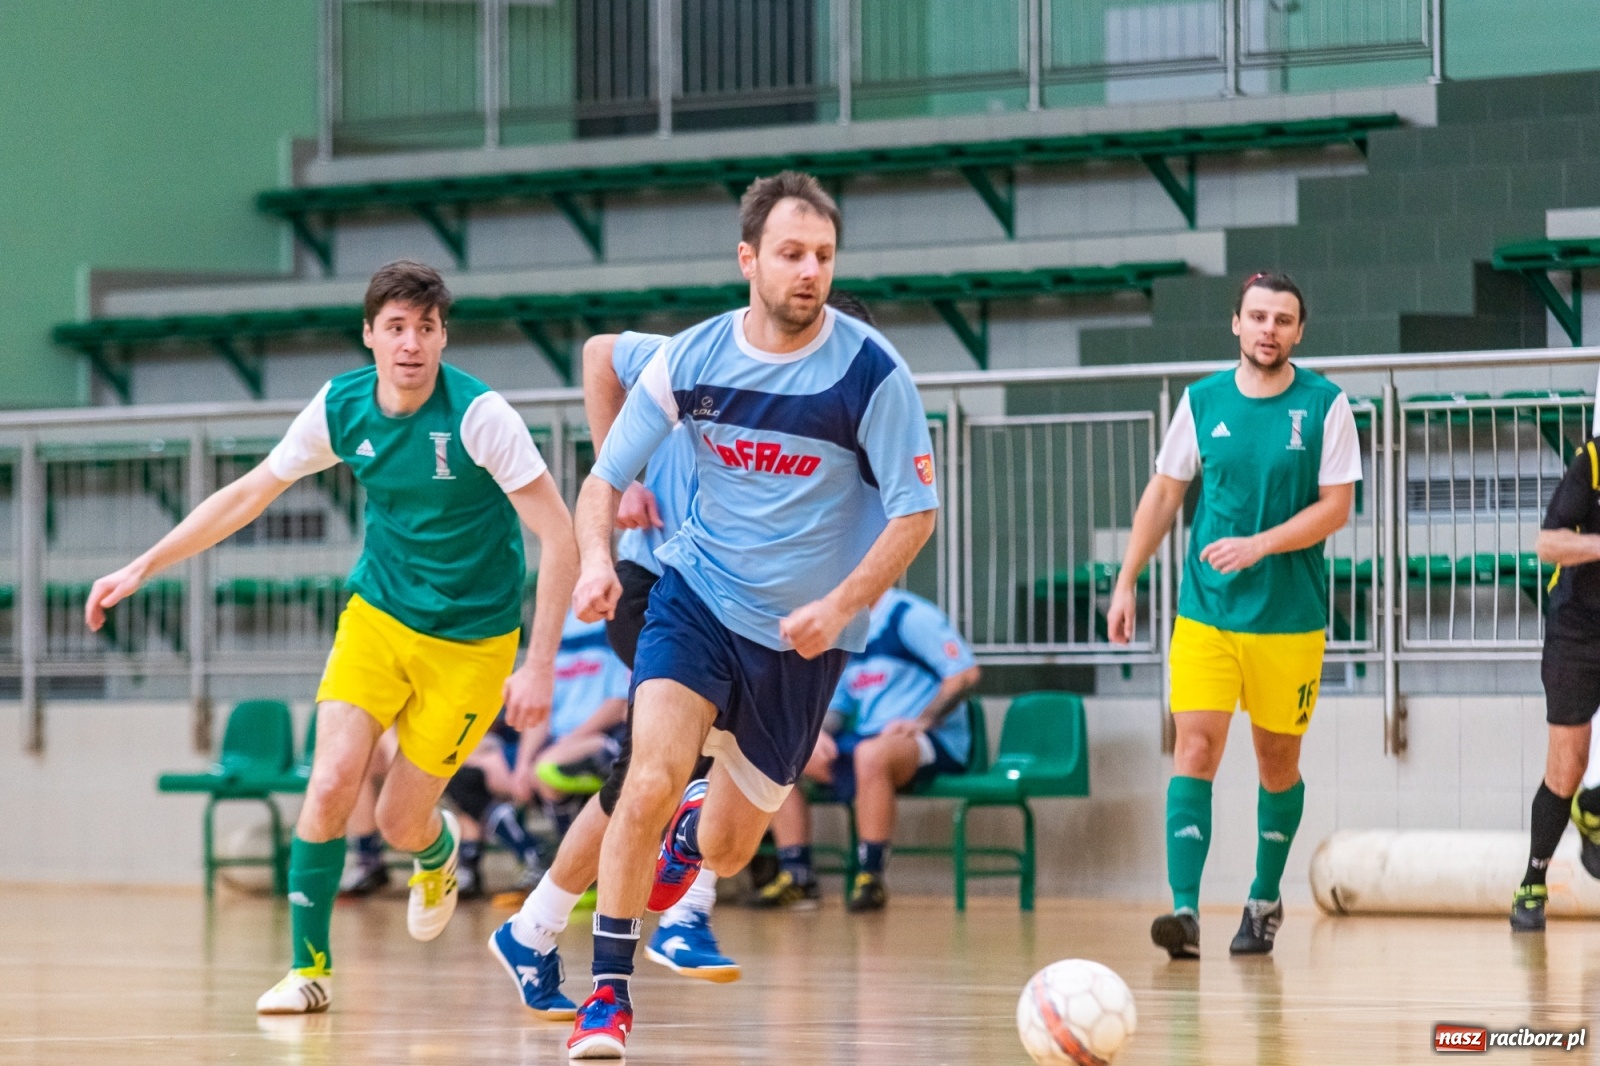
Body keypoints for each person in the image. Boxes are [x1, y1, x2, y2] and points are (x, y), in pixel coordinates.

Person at [84, 260, 579, 1014]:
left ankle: (435, 850)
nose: (410, 343)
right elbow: (251, 492)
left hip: (473, 641)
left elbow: (560, 536)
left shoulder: (481, 415)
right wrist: (144, 564)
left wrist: (538, 664)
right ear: (369, 336)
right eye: (395, 328)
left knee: (397, 821)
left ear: (444, 336)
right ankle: (307, 970)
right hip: (378, 616)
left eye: (425, 327)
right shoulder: (342, 407)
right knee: (330, 779)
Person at [561, 171, 939, 1058]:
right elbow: (602, 480)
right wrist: (594, 559)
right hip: (696, 597)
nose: (809, 271)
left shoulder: (872, 374)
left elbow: (916, 514)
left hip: (804, 641)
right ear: (749, 260)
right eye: (791, 254)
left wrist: (842, 602)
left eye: (823, 256)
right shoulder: (691, 359)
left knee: (730, 850)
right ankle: (607, 995)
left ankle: (698, 831)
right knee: (645, 776)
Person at [490, 287, 884, 1018]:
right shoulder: (707, 362)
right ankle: (680, 917)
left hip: (742, 613)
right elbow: (600, 352)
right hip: (661, 581)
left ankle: (535, 927)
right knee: (662, 770)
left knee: (655, 779)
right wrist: (628, 473)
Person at [1107, 271, 1361, 960]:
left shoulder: (1326, 405)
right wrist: (1126, 580)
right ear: (1236, 325)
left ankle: (1263, 897)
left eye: (1282, 319)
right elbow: (1164, 495)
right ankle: (1184, 913)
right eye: (1257, 317)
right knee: (1195, 750)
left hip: (1290, 616)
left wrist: (1260, 545)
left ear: (1298, 332)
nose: (1268, 329)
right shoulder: (1202, 400)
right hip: (1206, 613)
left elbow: (1336, 508)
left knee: (1277, 764)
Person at [756, 587, 979, 911]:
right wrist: (816, 735)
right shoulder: (845, 627)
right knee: (780, 755)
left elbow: (965, 675)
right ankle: (798, 875)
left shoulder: (909, 616)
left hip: (931, 741)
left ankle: (870, 876)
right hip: (867, 740)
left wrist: (923, 720)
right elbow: (838, 705)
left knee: (871, 755)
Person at [1512, 435, 1600, 929]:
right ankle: (1532, 882)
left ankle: (1596, 806)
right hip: (1578, 631)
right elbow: (1548, 544)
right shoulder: (1593, 460)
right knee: (1567, 765)